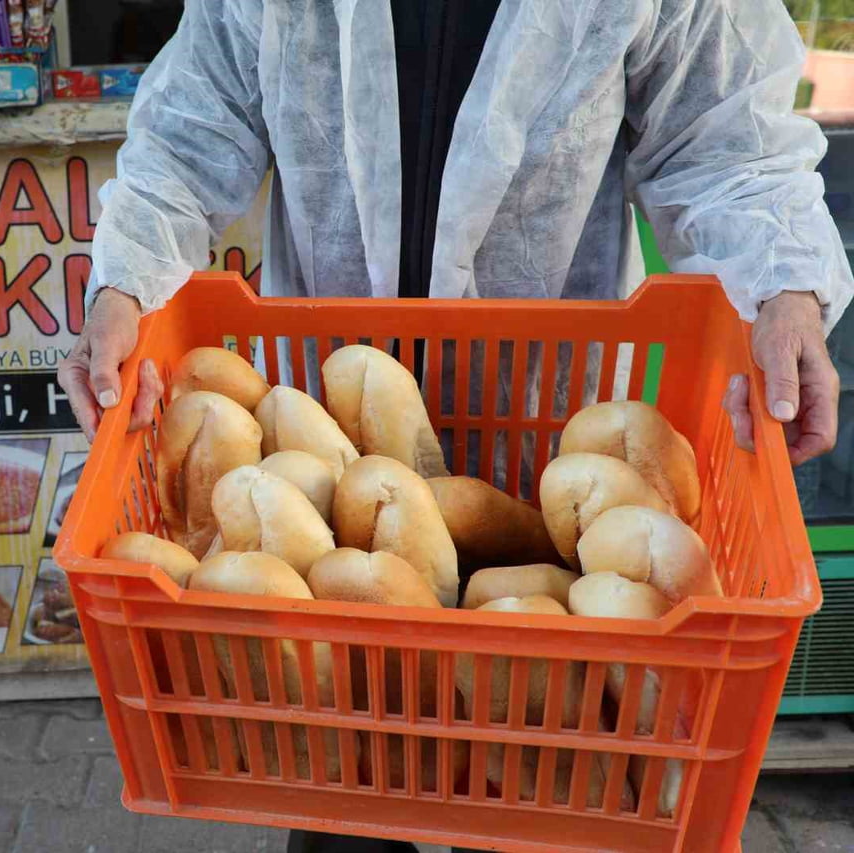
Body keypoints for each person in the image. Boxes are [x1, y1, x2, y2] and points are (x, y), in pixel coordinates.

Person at [57, 1, 853, 849]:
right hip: (330, 443)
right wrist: (125, 286)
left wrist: (785, 289)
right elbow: (192, 128)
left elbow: (726, 144)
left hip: (544, 433)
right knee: (349, 797)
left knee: (535, 793)